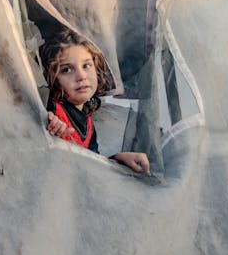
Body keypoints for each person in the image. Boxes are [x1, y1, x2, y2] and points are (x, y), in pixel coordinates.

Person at [40, 28, 151, 174]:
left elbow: (93, 167)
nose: (81, 76)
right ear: (52, 78)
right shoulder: (51, 108)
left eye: (86, 66)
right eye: (66, 70)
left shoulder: (88, 125)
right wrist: (49, 129)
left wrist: (119, 158)